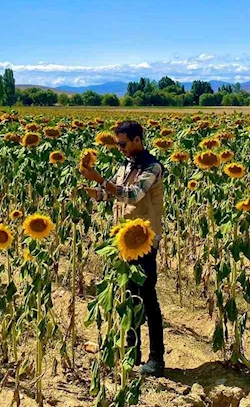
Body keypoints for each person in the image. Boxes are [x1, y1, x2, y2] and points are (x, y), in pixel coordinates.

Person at [80, 120, 165, 377]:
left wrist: (101, 180)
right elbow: (112, 195)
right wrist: (91, 189)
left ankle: (157, 358)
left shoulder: (152, 167)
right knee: (128, 295)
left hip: (145, 240)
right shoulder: (126, 165)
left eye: (123, 143)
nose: (119, 148)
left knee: (147, 298)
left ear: (137, 140)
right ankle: (132, 350)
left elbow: (133, 195)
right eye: (117, 144)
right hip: (124, 239)